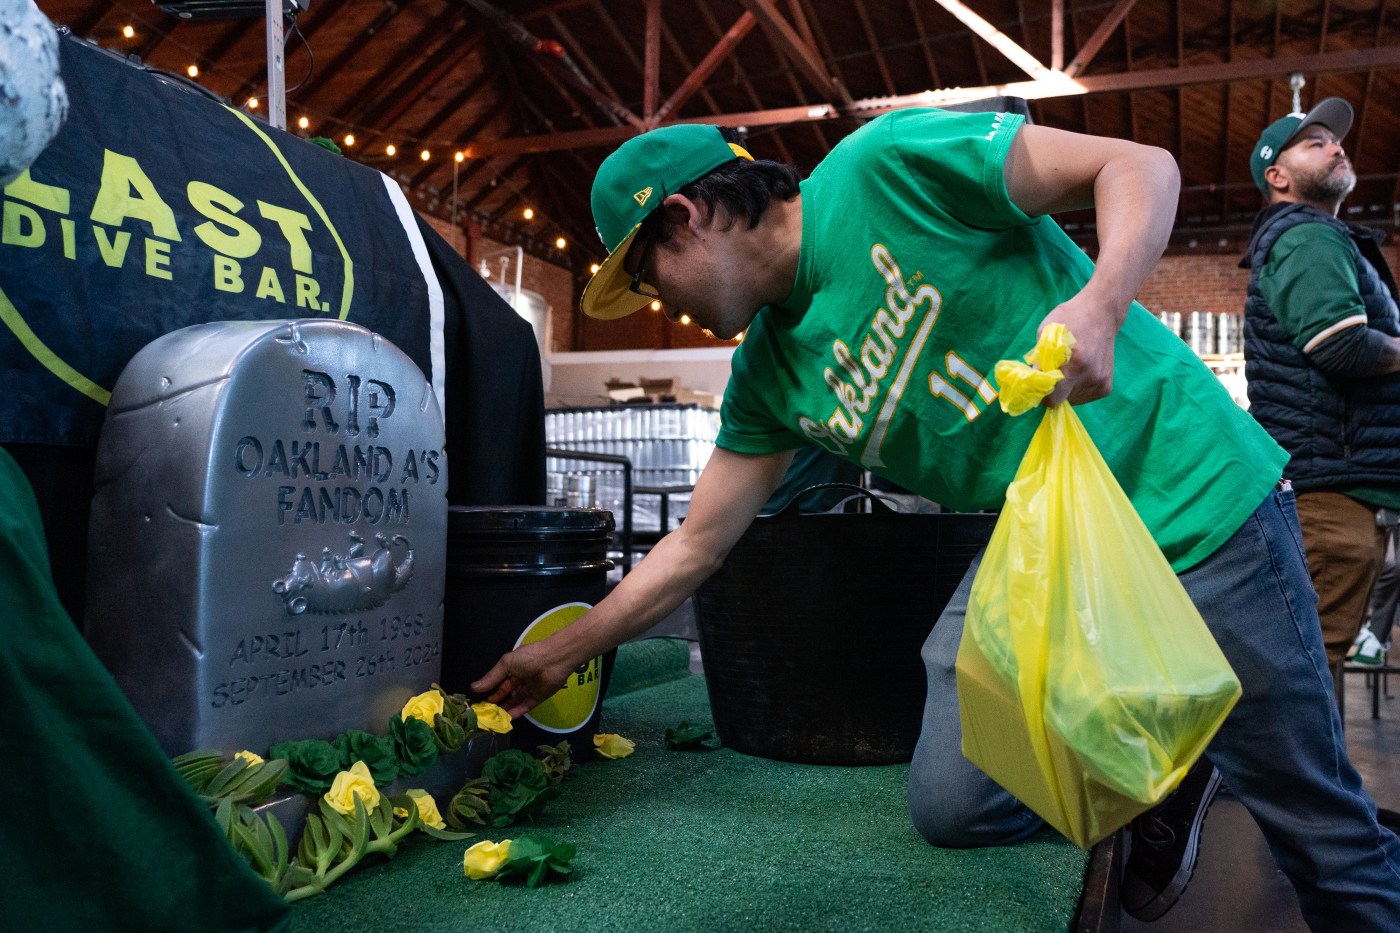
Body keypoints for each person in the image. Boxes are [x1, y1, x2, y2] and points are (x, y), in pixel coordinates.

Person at [474, 111, 1400, 928]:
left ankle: (1233, 783)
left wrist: (1101, 303)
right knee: (955, 804)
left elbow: (1141, 164)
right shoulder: (767, 377)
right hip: (1049, 542)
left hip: (1192, 495)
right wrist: (569, 647)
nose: (660, 304)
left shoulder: (886, 165)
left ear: (688, 215)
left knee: (1315, 819)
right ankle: (1174, 777)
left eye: (650, 275)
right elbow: (697, 542)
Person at [1242, 97, 1400, 698]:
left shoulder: (1319, 238)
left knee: (1309, 661)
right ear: (1276, 176)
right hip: (1328, 488)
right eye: (1314, 143)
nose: (1336, 147)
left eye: (1336, 142)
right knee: (1303, 670)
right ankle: (1298, 791)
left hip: (1339, 482)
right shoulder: (1308, 237)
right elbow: (1339, 346)